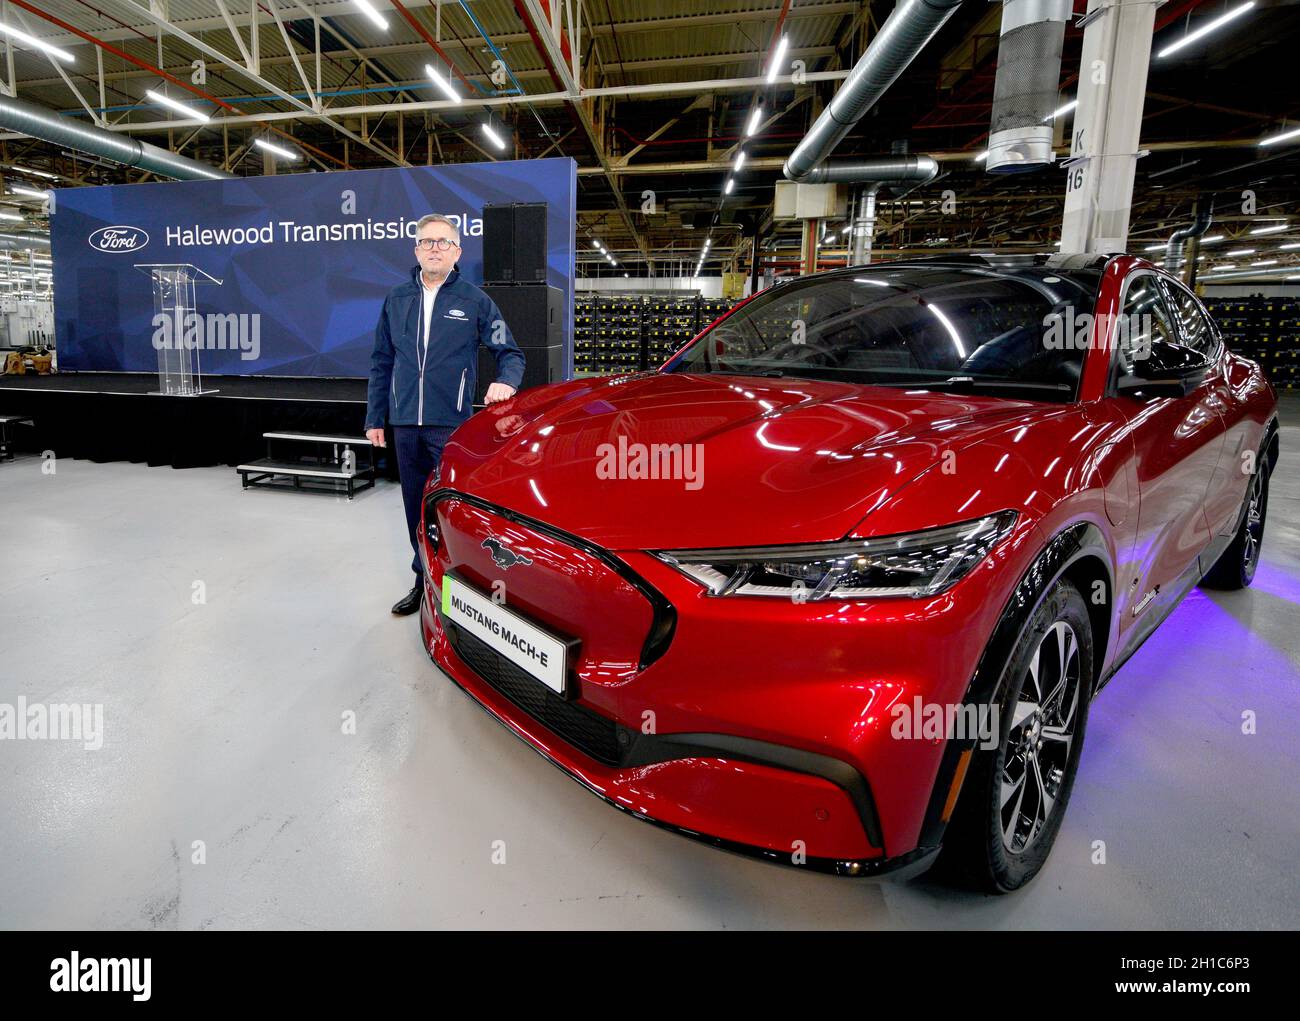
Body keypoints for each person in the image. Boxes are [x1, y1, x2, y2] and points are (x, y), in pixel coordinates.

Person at [365, 212, 525, 615]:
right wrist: (374, 417)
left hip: (449, 425)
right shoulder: (396, 299)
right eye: (427, 241)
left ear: (458, 252)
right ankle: (422, 580)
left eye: (443, 242)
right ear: (416, 249)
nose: (435, 248)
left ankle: (460, 586)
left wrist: (505, 381)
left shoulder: (475, 300)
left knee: (453, 510)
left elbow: (511, 353)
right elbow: (381, 361)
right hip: (404, 425)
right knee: (414, 506)